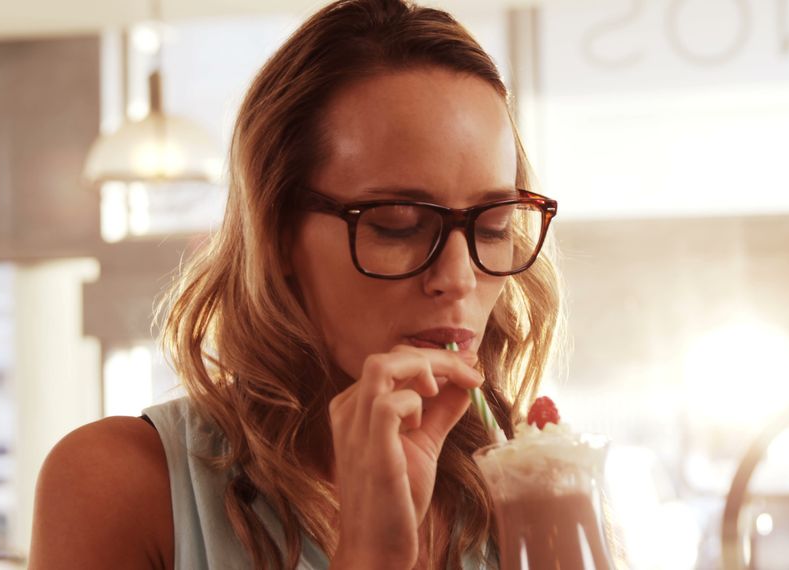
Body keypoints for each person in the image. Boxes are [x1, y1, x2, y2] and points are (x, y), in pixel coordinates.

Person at [29, 0, 561, 567]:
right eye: (396, 225)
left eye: (495, 225)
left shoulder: (521, 481)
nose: (457, 279)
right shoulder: (121, 483)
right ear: (277, 231)